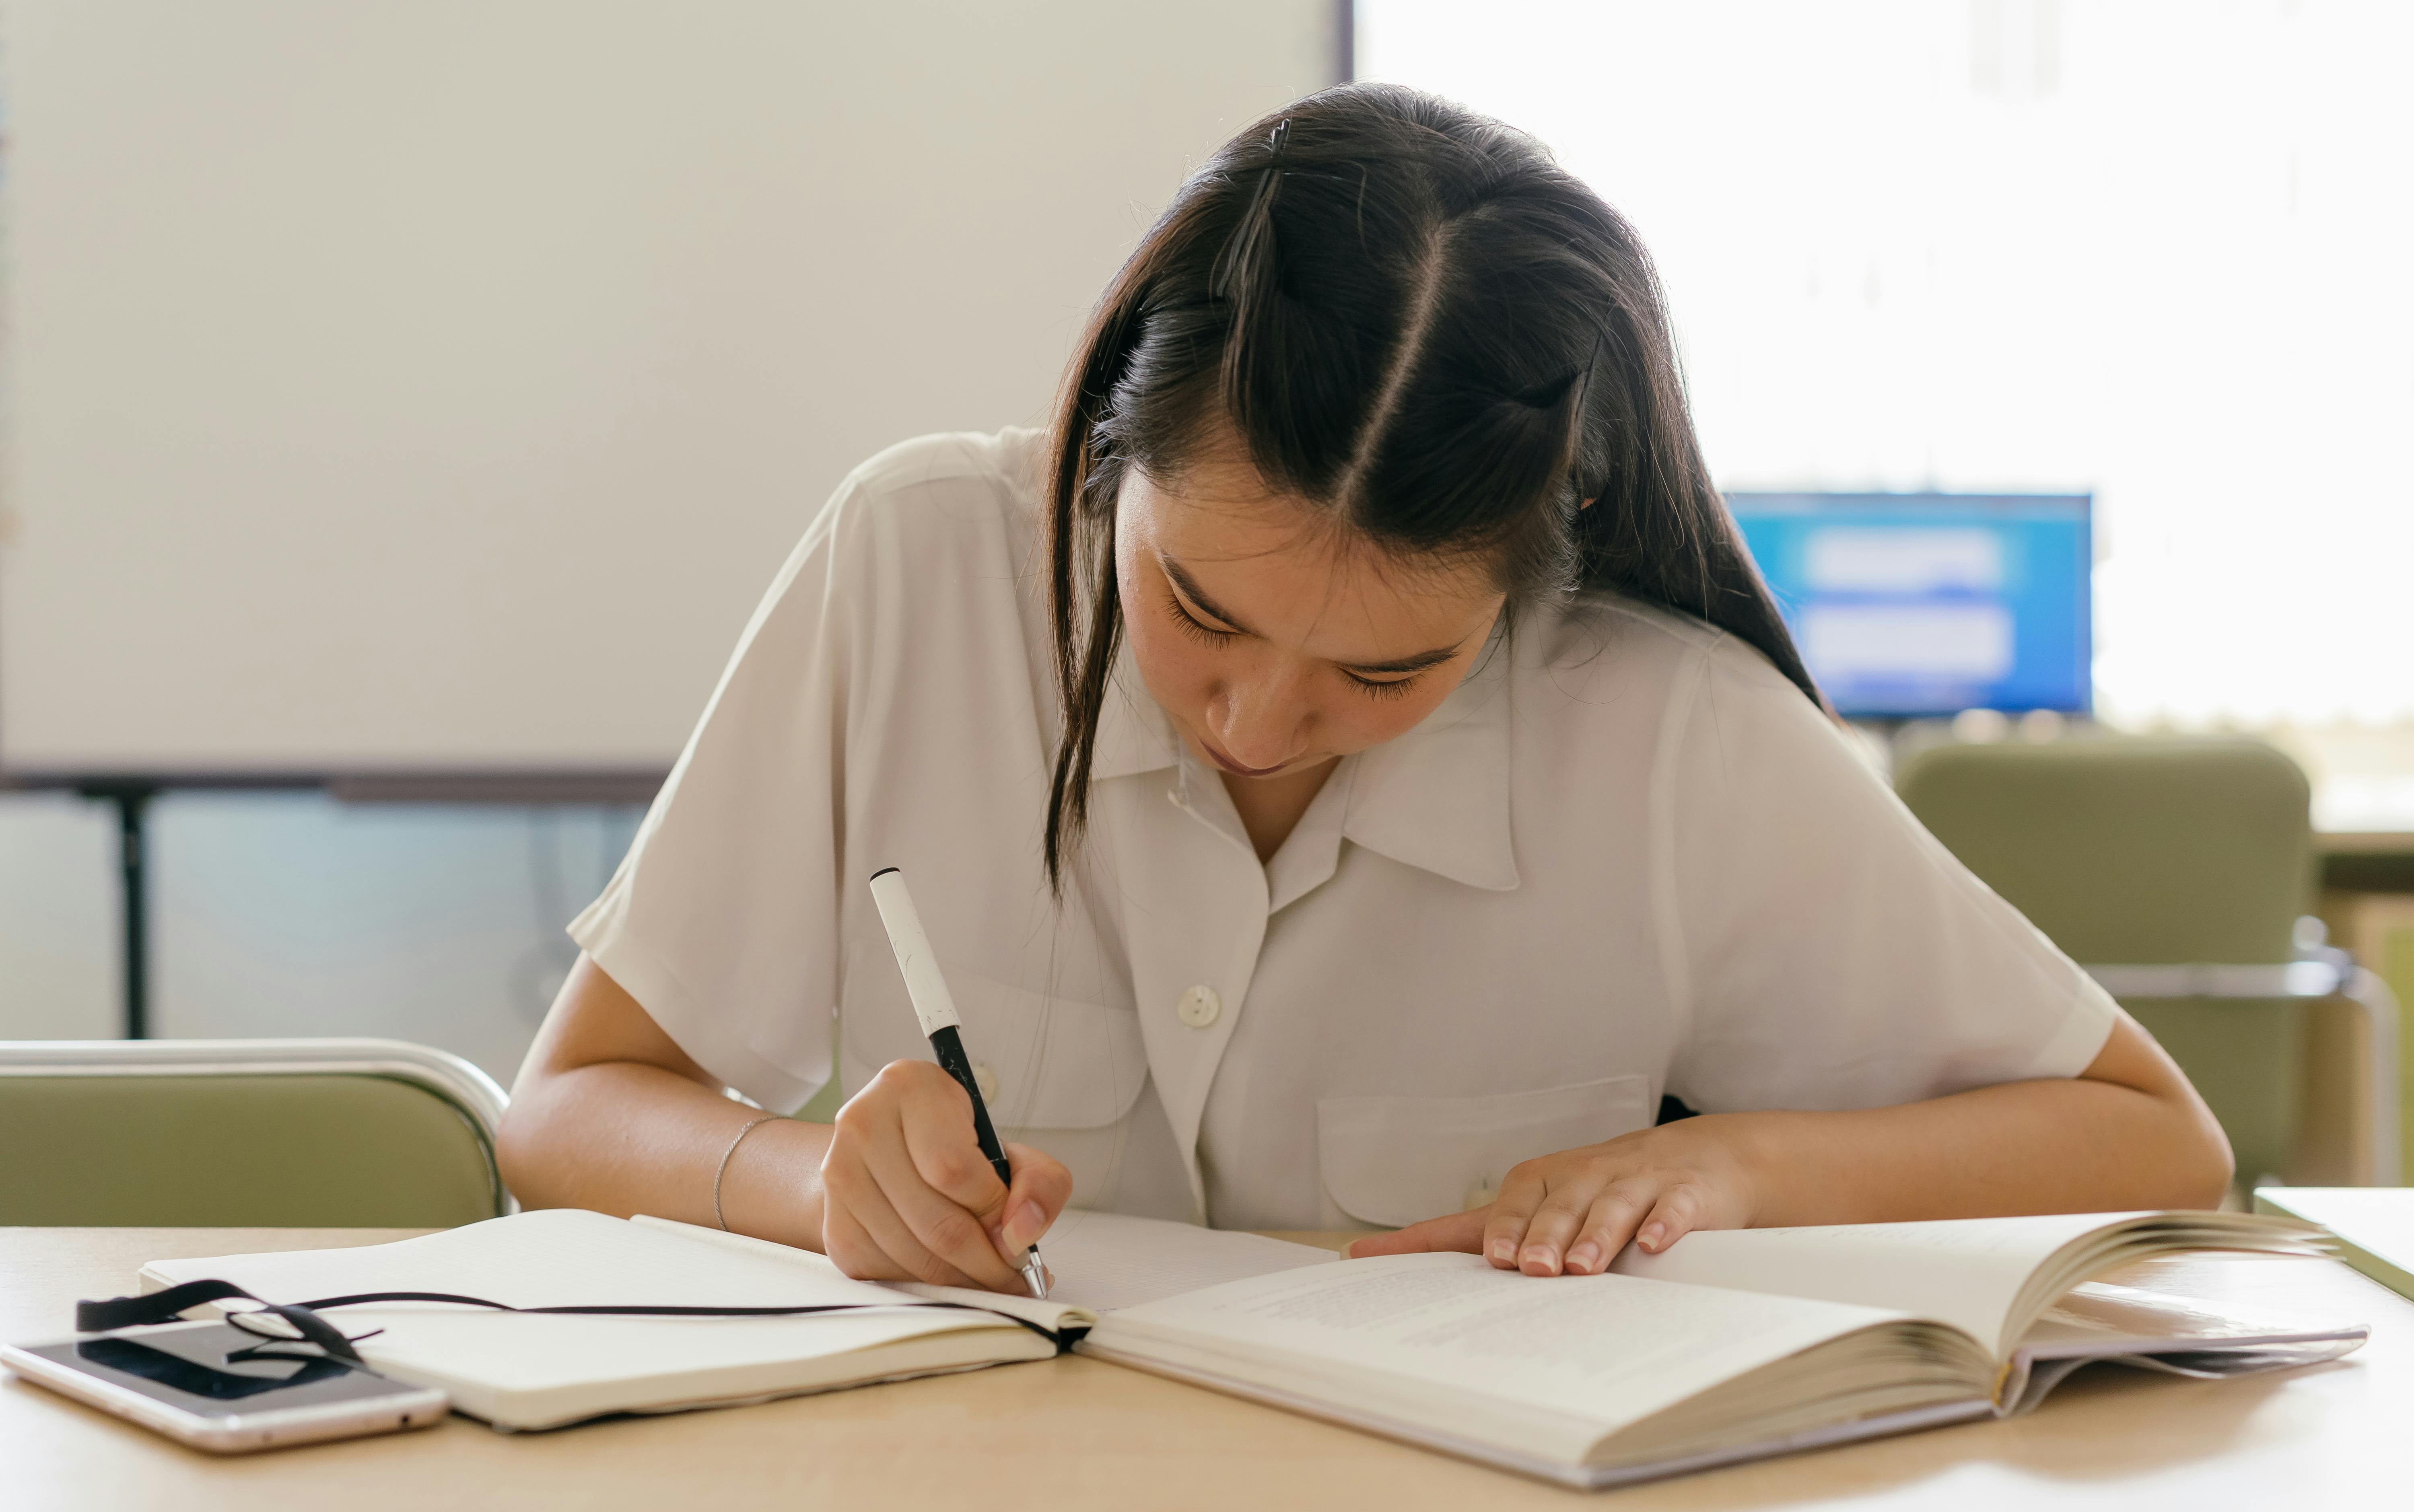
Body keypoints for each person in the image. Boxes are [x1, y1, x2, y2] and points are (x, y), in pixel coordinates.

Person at [496, 84, 2231, 1294]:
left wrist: (1744, 1168)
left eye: (1386, 670)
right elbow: (565, 1111)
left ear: (1537, 568)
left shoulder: (1666, 732)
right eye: (1195, 607)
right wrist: (820, 1186)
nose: (1254, 723)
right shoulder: (914, 563)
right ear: (1115, 440)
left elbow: (2155, 1143)